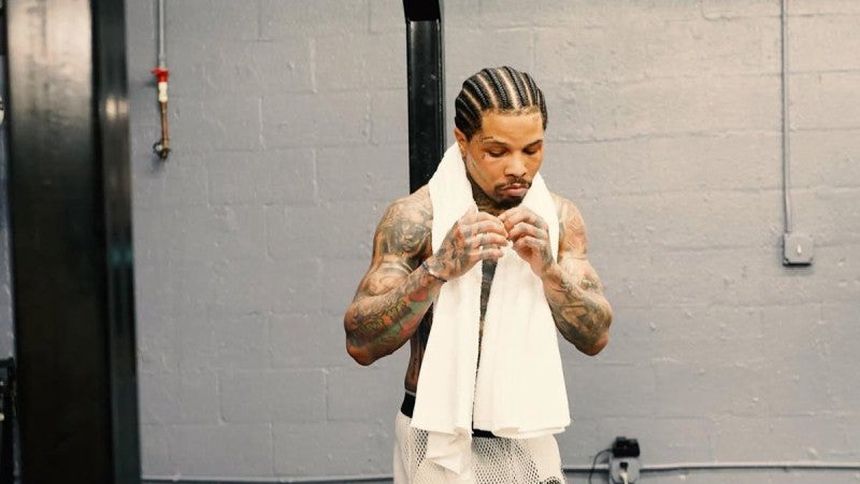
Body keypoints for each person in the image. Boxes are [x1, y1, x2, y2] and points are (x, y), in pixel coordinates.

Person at [343, 66, 613, 484]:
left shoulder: (559, 219)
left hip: (525, 433)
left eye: (532, 149)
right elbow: (360, 343)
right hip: (434, 435)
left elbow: (596, 337)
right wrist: (436, 270)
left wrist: (548, 271)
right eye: (497, 151)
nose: (518, 168)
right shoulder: (416, 218)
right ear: (462, 140)